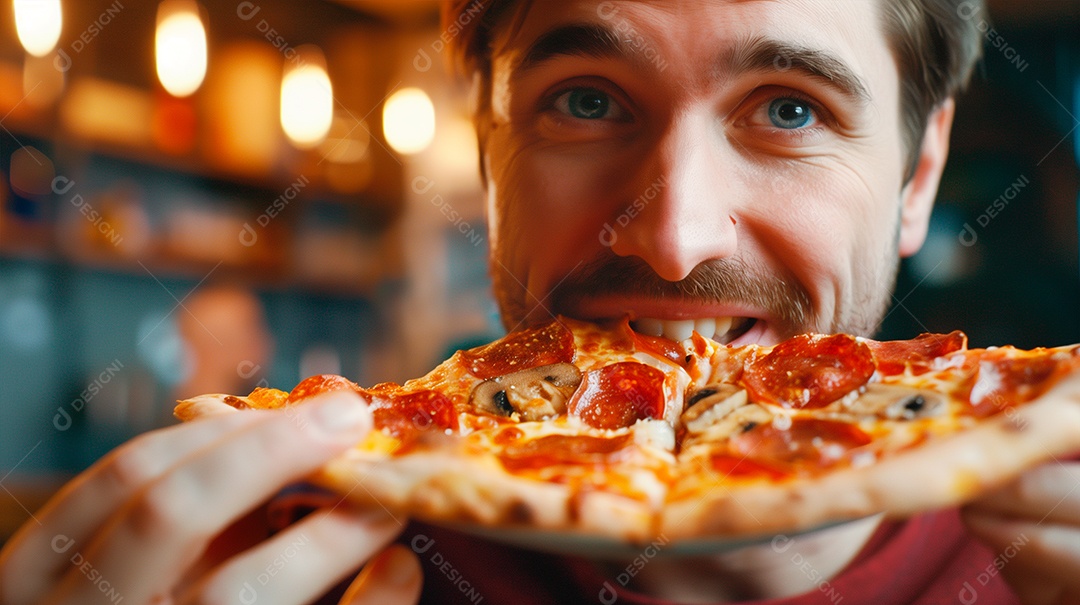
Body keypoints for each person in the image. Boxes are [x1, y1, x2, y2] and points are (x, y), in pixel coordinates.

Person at [2, 0, 1077, 603]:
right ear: (488, 153)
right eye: (588, 99)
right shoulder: (266, 556)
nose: (674, 234)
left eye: (788, 108)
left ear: (918, 177)